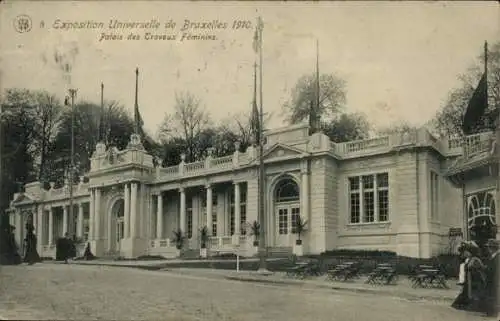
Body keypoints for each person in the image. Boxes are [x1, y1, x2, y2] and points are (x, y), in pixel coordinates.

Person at [452, 241, 487, 311]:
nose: (463, 254)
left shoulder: (475, 260)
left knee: (474, 296)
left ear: (469, 252)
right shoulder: (469, 259)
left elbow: (478, 272)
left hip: (475, 282)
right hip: (469, 282)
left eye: (465, 252)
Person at [483, 239, 500, 317]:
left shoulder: (497, 257)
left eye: (489, 248)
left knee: (493, 296)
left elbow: (496, 271)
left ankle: (493, 313)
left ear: (492, 248)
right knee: (492, 296)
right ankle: (491, 312)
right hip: (492, 281)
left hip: (494, 281)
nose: (488, 250)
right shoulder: (494, 256)